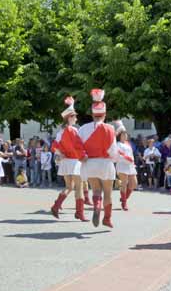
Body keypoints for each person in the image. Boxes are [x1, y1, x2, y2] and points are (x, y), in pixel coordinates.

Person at [78, 89, 120, 228]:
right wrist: (115, 159)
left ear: (92, 114)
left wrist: (82, 156)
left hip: (89, 163)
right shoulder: (109, 128)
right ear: (105, 114)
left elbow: (77, 146)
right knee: (108, 192)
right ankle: (107, 218)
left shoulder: (83, 128)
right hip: (105, 163)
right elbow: (113, 151)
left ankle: (97, 206)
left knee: (96, 190)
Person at [50, 96, 87, 220]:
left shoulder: (61, 132)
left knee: (69, 187)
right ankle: (80, 213)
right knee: (79, 187)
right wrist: (84, 156)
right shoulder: (74, 130)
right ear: (70, 118)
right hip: (75, 161)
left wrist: (61, 154)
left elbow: (54, 146)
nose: (76, 118)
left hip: (66, 162)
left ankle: (56, 206)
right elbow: (78, 146)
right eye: (75, 116)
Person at [115, 126, 137, 211]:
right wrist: (126, 159)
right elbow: (118, 155)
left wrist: (132, 162)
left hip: (130, 165)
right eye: (123, 135)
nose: (125, 136)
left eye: (126, 135)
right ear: (120, 136)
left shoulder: (128, 144)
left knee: (134, 184)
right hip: (122, 165)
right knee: (124, 183)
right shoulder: (118, 144)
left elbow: (131, 155)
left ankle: (124, 198)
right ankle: (124, 203)